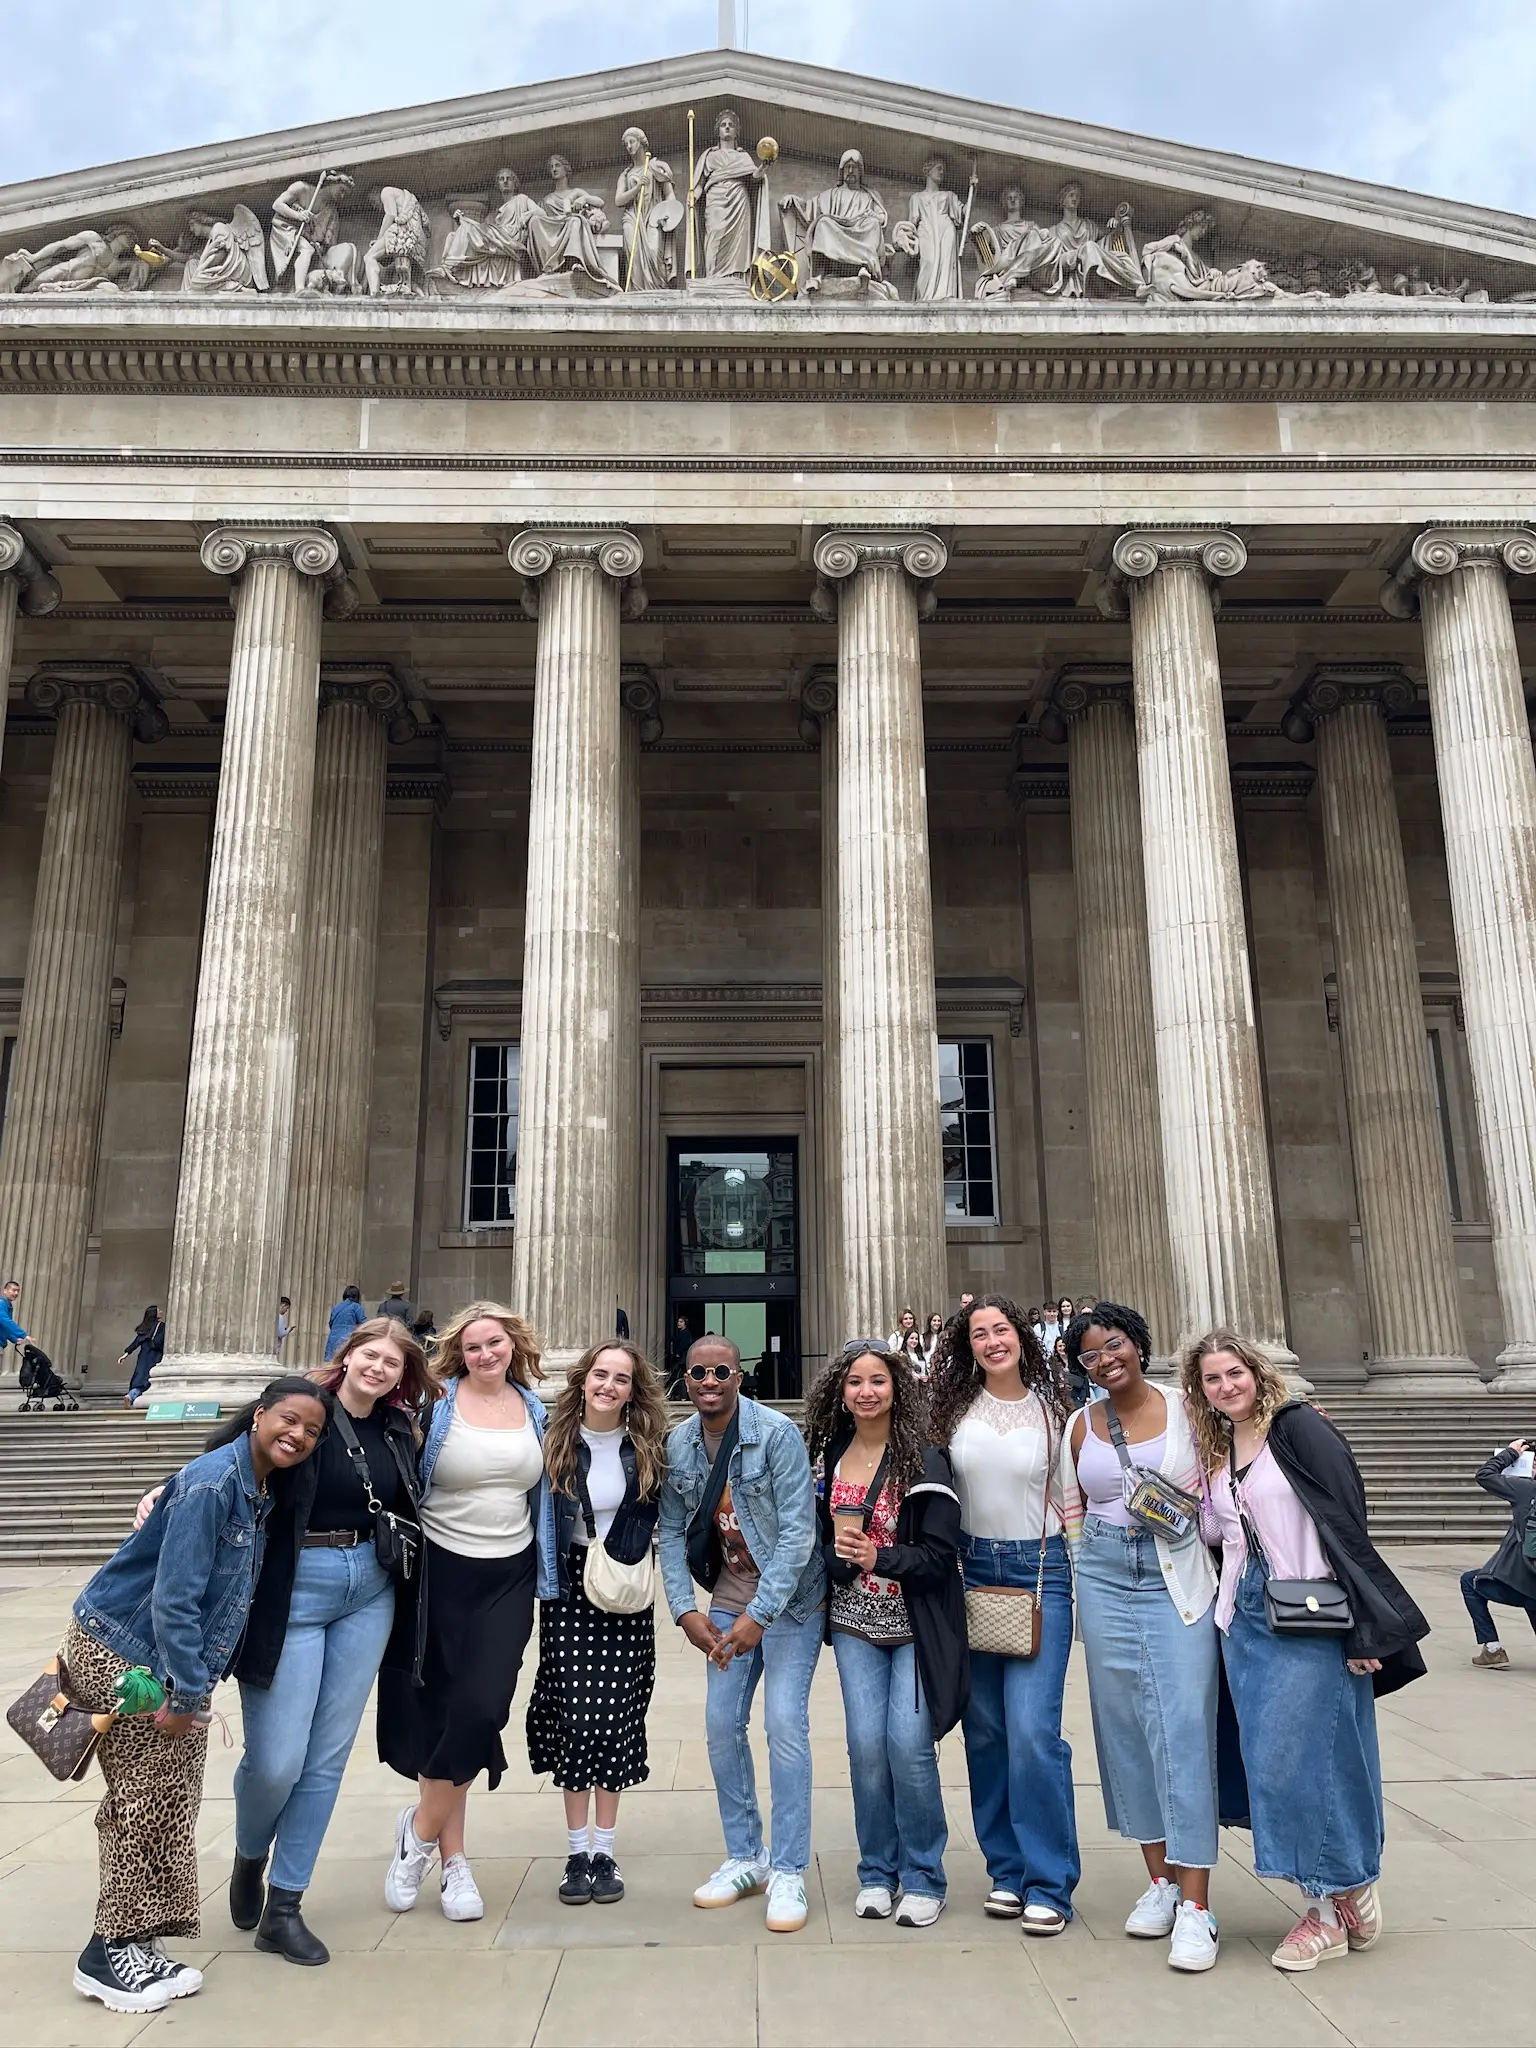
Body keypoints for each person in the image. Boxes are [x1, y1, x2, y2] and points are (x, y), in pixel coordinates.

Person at [65, 1376, 330, 2012]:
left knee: (167, 1800)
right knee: (142, 1800)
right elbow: (175, 1599)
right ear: (259, 1415)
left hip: (162, 1661)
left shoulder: (256, 1485)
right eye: (288, 1420)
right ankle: (107, 1954)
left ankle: (137, 1941)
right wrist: (183, 1694)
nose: (298, 1435)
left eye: (312, 1431)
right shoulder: (215, 1484)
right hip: (130, 1656)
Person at [1185, 1329, 1426, 1974]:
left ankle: (1324, 1910)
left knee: (1315, 1759)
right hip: (1242, 1620)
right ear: (1200, 1390)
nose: (1225, 1386)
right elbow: (1224, 1535)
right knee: (1270, 1763)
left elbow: (1349, 1528)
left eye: (1234, 1372)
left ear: (1258, 1373)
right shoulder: (1218, 1447)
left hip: (1312, 1614)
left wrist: (1365, 1632)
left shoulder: (1300, 1429)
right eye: (1212, 1379)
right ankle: (1341, 1891)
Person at [228, 1319, 434, 1964]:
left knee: (325, 1758)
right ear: (346, 1356)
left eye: (393, 1363)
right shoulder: (301, 1408)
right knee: (277, 1759)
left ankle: (285, 1905)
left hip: (369, 1588)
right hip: (293, 1587)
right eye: (370, 1355)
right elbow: (228, 1460)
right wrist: (161, 1493)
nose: (379, 1368)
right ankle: (250, 1849)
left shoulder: (401, 1429)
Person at [378, 1302, 556, 1922]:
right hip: (439, 1570)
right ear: (460, 1351)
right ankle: (454, 1863)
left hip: (512, 1570)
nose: (487, 1355)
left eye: (496, 1344)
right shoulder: (434, 1404)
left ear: (514, 1346)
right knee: (443, 1712)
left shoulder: (535, 1408)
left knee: (484, 1708)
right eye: (476, 1346)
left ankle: (418, 1831)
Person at [1061, 1303, 1221, 1973]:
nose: (1105, 1359)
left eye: (1115, 1344)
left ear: (1139, 1342)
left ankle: (1198, 1906)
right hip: (1102, 1573)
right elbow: (1070, 1509)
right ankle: (1157, 1881)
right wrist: (1080, 1577)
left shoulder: (1190, 1408)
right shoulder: (1079, 1423)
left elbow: (1225, 1482)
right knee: (1123, 1726)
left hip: (1173, 1572)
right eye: (1090, 1355)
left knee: (1181, 1724)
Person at [657, 1335, 824, 1934]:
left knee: (784, 1726)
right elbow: (670, 1532)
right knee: (720, 1726)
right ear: (686, 1377)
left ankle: (787, 1868)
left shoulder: (777, 1435)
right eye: (697, 1371)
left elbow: (799, 1534)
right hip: (726, 1602)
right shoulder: (678, 1442)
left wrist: (761, 1616)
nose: (709, 1381)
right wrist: (684, 1611)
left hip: (791, 1605)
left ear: (739, 1376)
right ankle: (744, 1856)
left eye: (721, 1371)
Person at [927, 1294, 1078, 1932]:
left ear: (1024, 1336)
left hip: (1041, 1570)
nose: (993, 1341)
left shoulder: (1055, 1413)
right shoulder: (947, 1412)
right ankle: (1006, 1871)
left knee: (1035, 1733)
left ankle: (1050, 1880)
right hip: (969, 1572)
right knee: (985, 1730)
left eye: (1003, 1329)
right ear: (966, 1344)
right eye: (980, 1333)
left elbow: (1072, 1501)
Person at [805, 1339, 966, 1926]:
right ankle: (877, 1871)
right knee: (866, 1749)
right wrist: (841, 1558)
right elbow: (823, 1542)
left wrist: (880, 1559)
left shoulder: (926, 1461)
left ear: (898, 1386)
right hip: (854, 1625)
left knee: (908, 1747)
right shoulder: (830, 1455)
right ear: (840, 1393)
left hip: (915, 1626)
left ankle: (925, 1874)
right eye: (854, 1382)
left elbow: (940, 1554)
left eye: (877, 1380)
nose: (866, 1392)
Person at [527, 1340, 668, 1906]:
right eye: (600, 1375)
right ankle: (575, 1851)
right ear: (583, 1380)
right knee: (575, 1720)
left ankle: (604, 1850)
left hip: (625, 1588)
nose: (608, 1386)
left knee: (616, 1720)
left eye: (622, 1379)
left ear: (634, 1391)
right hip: (568, 1587)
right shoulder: (554, 1441)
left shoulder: (646, 1448)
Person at [1462, 1438, 1536, 1667]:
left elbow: (1485, 1475)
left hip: (1522, 1580)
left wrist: (1510, 1453)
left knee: (1469, 1582)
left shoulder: (1526, 1490)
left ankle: (1492, 1649)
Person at [119, 1306, 165, 1405]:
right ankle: (131, 1396)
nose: (161, 1312)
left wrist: (125, 1355)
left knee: (141, 1376)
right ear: (154, 1314)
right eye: (158, 1311)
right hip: (154, 1355)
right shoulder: (160, 1326)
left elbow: (136, 1343)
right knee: (148, 1378)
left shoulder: (144, 1327)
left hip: (143, 1356)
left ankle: (131, 1396)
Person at [324, 1286, 366, 1361]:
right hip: (347, 1337)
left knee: (332, 1362)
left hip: (333, 1338)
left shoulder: (336, 1307)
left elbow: (331, 1323)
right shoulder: (356, 1306)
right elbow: (364, 1323)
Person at [0, 1277, 27, 1360]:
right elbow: (6, 1322)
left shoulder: (8, 1306)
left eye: (18, 1291)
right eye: (13, 1290)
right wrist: (23, 1334)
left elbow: (4, 1328)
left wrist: (14, 1339)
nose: (16, 1293)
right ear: (5, 1291)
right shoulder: (1, 1304)